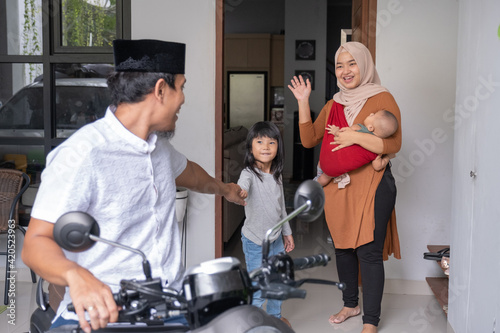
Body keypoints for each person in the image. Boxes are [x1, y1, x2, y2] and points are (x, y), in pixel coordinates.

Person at [21, 39, 245, 333]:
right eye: (182, 87)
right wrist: (75, 275)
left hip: (168, 307)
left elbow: (189, 172)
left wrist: (225, 189)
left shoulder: (159, 148)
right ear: (161, 90)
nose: (184, 99)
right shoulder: (83, 154)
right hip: (104, 315)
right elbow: (35, 244)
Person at [288, 41, 402, 333]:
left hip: (373, 186)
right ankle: (351, 304)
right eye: (340, 65)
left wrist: (354, 138)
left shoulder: (382, 98)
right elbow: (310, 139)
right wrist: (303, 101)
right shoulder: (334, 103)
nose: (345, 70)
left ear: (364, 65)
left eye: (352, 63)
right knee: (342, 249)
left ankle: (371, 321)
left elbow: (393, 143)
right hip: (339, 187)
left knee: (368, 252)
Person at [237, 121, 294, 327]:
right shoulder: (248, 174)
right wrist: (240, 192)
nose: (265, 146)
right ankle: (253, 325)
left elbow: (282, 210)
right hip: (255, 241)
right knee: (259, 286)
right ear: (251, 147)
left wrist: (287, 233)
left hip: (276, 239)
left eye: (271, 142)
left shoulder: (277, 175)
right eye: (259, 141)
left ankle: (274, 320)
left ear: (278, 147)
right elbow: (242, 187)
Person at [315, 109, 398, 187]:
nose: (371, 113)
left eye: (373, 115)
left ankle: (319, 173)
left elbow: (343, 134)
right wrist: (388, 157)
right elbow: (377, 166)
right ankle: (316, 182)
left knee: (322, 163)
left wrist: (336, 131)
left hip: (327, 158)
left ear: (370, 128)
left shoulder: (358, 128)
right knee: (325, 178)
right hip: (334, 170)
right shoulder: (377, 150)